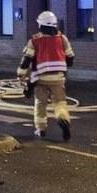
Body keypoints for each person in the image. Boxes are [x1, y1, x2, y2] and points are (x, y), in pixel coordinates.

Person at [17, 10, 75, 140]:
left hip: (40, 78)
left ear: (41, 25)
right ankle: (63, 119)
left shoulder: (35, 40)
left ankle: (41, 129)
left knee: (40, 104)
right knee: (60, 103)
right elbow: (70, 58)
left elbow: (27, 59)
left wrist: (21, 74)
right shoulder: (62, 38)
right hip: (58, 78)